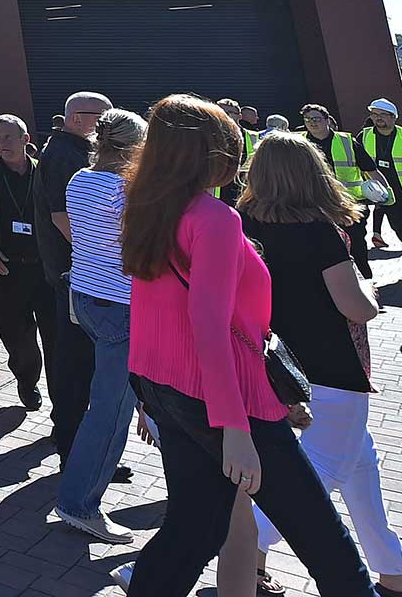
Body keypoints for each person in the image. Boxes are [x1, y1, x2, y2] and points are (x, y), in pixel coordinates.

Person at [121, 95, 375, 595]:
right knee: (325, 541)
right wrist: (234, 427)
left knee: (194, 529)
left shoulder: (148, 210)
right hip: (232, 397)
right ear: (209, 155)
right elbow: (209, 325)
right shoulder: (213, 218)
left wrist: (147, 399)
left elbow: (147, 310)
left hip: (168, 386)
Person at [239, 134, 402, 592]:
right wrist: (371, 292)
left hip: (277, 363)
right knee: (322, 474)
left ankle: (392, 567)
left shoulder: (244, 222)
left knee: (358, 463)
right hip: (331, 367)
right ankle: (208, 556)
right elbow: (356, 306)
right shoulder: (316, 229)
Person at [53, 107, 147, 543]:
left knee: (125, 396)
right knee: (110, 411)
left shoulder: (80, 179)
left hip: (87, 295)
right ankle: (79, 503)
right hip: (120, 304)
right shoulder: (129, 190)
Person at [0, 115, 60, 422]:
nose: (2, 143)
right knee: (15, 335)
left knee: (57, 340)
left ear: (25, 138)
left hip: (46, 270)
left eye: (8, 136)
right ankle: (26, 377)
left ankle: (63, 408)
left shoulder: (46, 172)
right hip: (7, 269)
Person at [33, 91, 108, 465]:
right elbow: (63, 218)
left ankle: (81, 445)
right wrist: (100, 255)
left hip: (75, 276)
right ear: (79, 118)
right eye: (103, 117)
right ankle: (75, 449)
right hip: (72, 278)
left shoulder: (71, 150)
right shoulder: (64, 155)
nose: (106, 124)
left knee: (81, 367)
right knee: (75, 367)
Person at [300, 102, 374, 277]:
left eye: (316, 119)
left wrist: (383, 193)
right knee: (325, 248)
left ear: (327, 120)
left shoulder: (347, 142)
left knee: (356, 247)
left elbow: (370, 170)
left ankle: (366, 282)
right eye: (308, 119)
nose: (312, 123)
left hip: (349, 206)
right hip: (314, 206)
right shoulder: (300, 144)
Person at [358, 97, 402, 249]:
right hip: (382, 191)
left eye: (382, 114)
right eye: (374, 114)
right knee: (398, 226)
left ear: (393, 116)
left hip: (400, 188)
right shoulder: (364, 136)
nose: (378, 118)